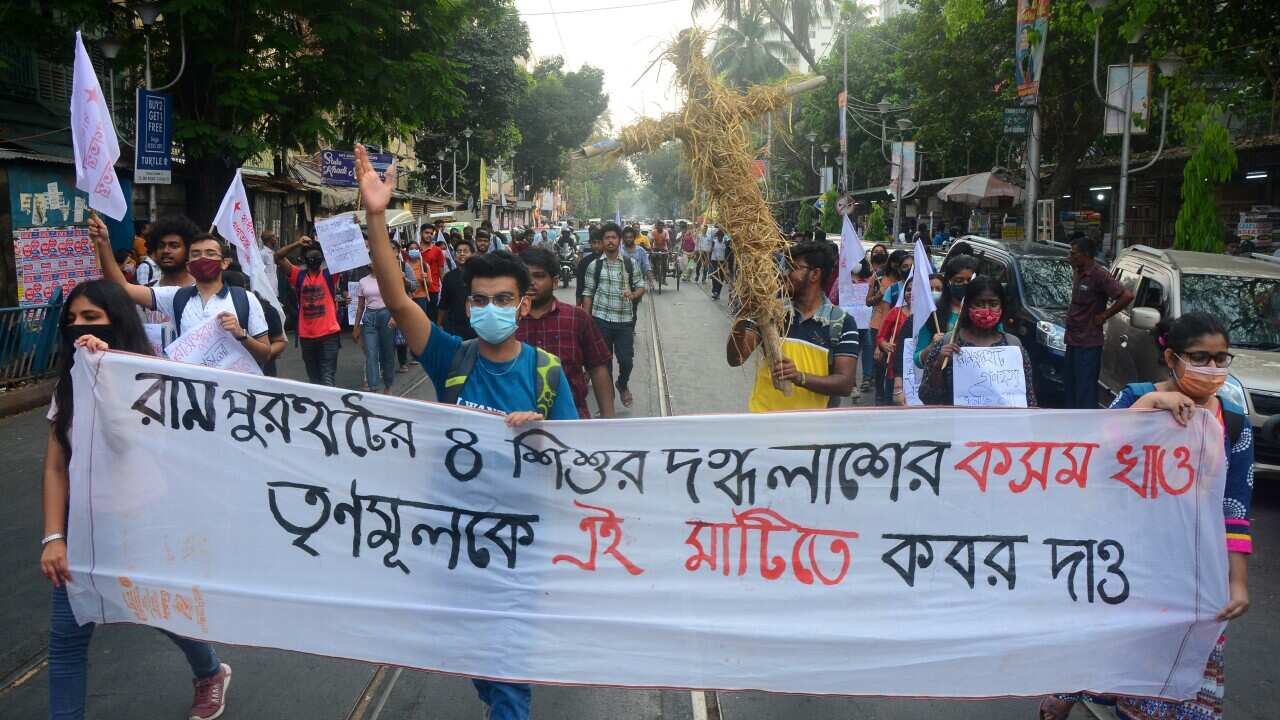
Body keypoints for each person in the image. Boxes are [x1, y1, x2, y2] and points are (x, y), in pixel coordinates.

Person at [355, 144, 575, 720]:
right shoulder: (451, 356)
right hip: (453, 533)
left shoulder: (547, 373)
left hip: (523, 539)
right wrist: (376, 217)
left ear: (524, 305)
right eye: (480, 301)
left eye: (504, 300)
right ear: (469, 306)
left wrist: (544, 431)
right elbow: (398, 299)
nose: (491, 308)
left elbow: (580, 458)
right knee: (475, 650)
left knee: (507, 661)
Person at [1040, 312, 1252, 720]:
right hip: (1130, 562)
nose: (1212, 368)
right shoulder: (1136, 398)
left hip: (1196, 570)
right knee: (1127, 665)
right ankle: (1072, 689)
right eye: (1199, 357)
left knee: (1183, 679)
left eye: (1221, 358)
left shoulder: (1234, 424)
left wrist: (1237, 582)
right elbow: (1094, 458)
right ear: (1171, 358)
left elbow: (1235, 507)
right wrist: (1151, 404)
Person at [40, 280, 232, 720]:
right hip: (84, 525)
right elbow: (55, 467)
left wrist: (106, 374)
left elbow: (125, 440)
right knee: (67, 640)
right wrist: (54, 536)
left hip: (145, 522)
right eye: (71, 320)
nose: (79, 327)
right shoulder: (68, 386)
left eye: (91, 317)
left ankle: (209, 671)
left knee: (157, 609)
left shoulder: (150, 376)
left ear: (117, 320)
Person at [90, 218, 273, 366]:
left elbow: (265, 354)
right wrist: (104, 243)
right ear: (189, 264)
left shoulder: (245, 299)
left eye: (210, 253)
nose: (202, 258)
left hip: (230, 399)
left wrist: (241, 334)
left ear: (224, 262)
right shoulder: (176, 297)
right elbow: (124, 288)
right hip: (188, 396)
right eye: (196, 254)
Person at [726, 240, 858, 412]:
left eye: (792, 267)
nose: (784, 273)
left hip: (809, 431)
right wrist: (742, 315)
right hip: (763, 422)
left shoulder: (841, 322)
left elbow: (845, 384)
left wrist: (799, 377)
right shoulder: (770, 312)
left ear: (815, 274)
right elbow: (736, 359)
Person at [518, 248, 616, 419]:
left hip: (572, 420)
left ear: (555, 282)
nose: (531, 282)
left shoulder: (577, 318)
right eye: (525, 276)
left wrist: (608, 421)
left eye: (539, 276)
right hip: (517, 422)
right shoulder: (507, 320)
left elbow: (598, 368)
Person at [918, 276, 1037, 407]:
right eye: (979, 304)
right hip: (957, 424)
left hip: (1003, 425)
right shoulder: (948, 342)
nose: (986, 310)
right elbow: (927, 398)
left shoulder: (1013, 346)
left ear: (1002, 306)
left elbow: (1029, 399)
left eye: (993, 304)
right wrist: (938, 365)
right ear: (968, 306)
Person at [1064, 234, 1134, 409]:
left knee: (1085, 389)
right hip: (1073, 339)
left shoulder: (1099, 275)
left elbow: (1126, 296)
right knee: (1070, 386)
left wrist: (1104, 316)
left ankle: (1085, 429)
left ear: (1086, 255)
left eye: (1074, 254)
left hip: (1088, 342)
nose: (1070, 257)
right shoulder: (1078, 273)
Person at [582, 221, 645, 409]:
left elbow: (641, 285)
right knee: (604, 364)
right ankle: (607, 405)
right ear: (602, 242)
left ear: (619, 241)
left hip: (625, 321)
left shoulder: (630, 264)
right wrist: (586, 321)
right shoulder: (595, 266)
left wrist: (633, 294)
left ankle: (622, 383)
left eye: (614, 237)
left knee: (626, 361)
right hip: (601, 321)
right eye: (607, 238)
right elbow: (588, 293)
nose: (610, 241)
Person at [275, 236, 342, 385]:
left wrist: (351, 228)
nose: (314, 257)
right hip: (307, 337)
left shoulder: (329, 275)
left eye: (316, 254)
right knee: (314, 379)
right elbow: (278, 256)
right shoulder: (298, 275)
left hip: (329, 335)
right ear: (304, 259)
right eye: (310, 254)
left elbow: (345, 253)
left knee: (327, 377)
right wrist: (297, 243)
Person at [220, 263, 287, 376]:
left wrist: (262, 352)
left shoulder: (265, 309)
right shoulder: (212, 313)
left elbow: (280, 342)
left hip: (262, 373)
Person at [913, 254, 979, 369]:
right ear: (948, 282)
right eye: (959, 280)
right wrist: (933, 346)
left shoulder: (984, 314)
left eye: (969, 280)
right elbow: (918, 360)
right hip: (943, 380)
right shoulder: (934, 314)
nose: (965, 284)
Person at [868, 249, 909, 404]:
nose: (911, 293)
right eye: (905, 266)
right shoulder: (892, 290)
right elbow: (884, 319)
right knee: (886, 371)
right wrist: (880, 345)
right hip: (891, 342)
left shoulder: (926, 292)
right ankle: (882, 397)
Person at [352, 265, 397, 393]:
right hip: (369, 317)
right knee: (371, 354)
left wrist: (394, 317)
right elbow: (360, 306)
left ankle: (388, 385)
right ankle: (373, 388)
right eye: (370, 259)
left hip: (386, 315)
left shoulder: (387, 278)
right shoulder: (363, 281)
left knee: (388, 352)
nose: (373, 262)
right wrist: (356, 327)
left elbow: (395, 300)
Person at [437, 238, 477, 339]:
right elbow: (443, 303)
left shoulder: (479, 275)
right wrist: (439, 324)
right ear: (454, 255)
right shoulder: (449, 277)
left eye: (465, 251)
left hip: (475, 326)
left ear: (473, 254)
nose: (462, 254)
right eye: (459, 251)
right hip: (453, 327)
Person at [575, 230, 604, 306]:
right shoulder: (584, 262)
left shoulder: (609, 260)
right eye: (594, 243)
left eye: (599, 242)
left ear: (603, 243)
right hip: (588, 302)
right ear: (590, 244)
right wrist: (578, 304)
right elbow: (580, 285)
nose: (596, 246)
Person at [708, 229, 728, 300]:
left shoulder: (724, 244)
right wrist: (709, 260)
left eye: (721, 236)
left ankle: (718, 292)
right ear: (717, 237)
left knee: (721, 278)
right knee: (714, 277)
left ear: (722, 237)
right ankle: (714, 292)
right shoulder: (714, 243)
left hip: (722, 263)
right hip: (714, 261)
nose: (720, 238)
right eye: (719, 236)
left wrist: (726, 264)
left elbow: (726, 254)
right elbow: (710, 251)